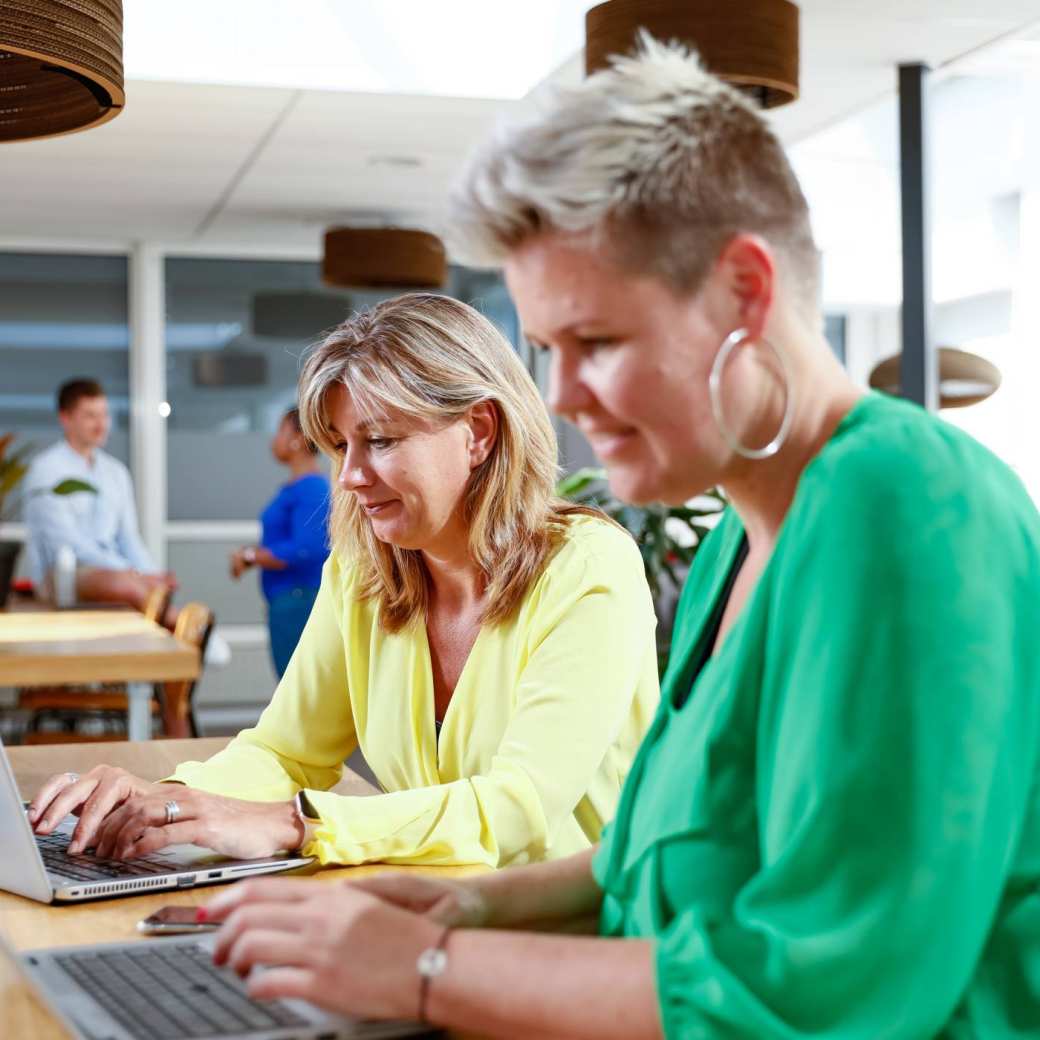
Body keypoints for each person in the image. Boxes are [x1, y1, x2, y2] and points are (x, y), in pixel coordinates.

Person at [193, 39, 1040, 1038]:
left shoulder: (903, 506)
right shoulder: (739, 533)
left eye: (595, 342)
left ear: (744, 291)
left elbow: (820, 992)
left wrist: (428, 969)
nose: (560, 397)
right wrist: (462, 905)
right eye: (550, 350)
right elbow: (645, 865)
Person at [30, 294, 660, 870]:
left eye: (380, 441)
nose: (350, 476)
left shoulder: (588, 567)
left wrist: (295, 825)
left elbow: (519, 806)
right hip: (436, 909)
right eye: (340, 446)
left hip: (582, 933)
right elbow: (287, 752)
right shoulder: (363, 572)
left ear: (479, 432)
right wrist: (165, 802)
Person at [23, 378, 178, 616]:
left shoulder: (116, 473)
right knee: (125, 586)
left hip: (118, 572)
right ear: (65, 418)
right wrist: (130, 572)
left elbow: (129, 537)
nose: (101, 424)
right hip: (64, 573)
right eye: (90, 416)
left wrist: (150, 573)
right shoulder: (46, 471)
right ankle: (187, 630)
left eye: (104, 415)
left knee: (155, 588)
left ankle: (187, 631)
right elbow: (65, 543)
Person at [229, 407, 330, 678]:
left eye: (281, 431)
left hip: (299, 602)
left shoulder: (312, 488)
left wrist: (251, 556)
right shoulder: (296, 488)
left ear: (298, 439)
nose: (275, 439)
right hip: (286, 602)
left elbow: (307, 549)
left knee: (298, 689)